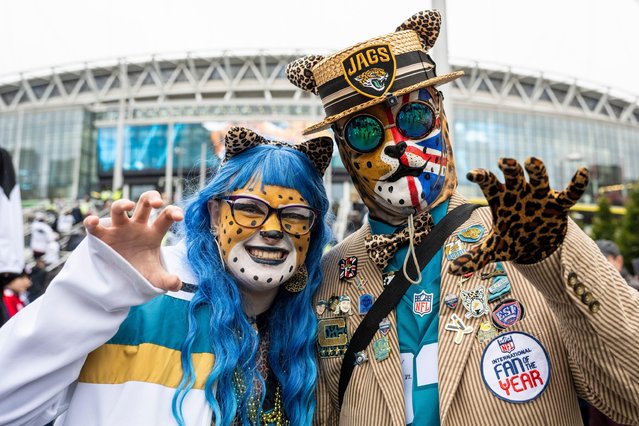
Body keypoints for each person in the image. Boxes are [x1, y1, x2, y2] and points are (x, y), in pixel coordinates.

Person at [287, 10, 639, 425]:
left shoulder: (522, 235)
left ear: (440, 115)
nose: (398, 144)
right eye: (365, 131)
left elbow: (630, 395)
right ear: (345, 151)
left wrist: (557, 260)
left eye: (414, 119)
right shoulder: (329, 274)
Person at [0, 126, 333, 425]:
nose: (272, 231)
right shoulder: (143, 301)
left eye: (295, 215)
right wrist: (103, 289)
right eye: (249, 208)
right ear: (215, 214)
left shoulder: (311, 324)